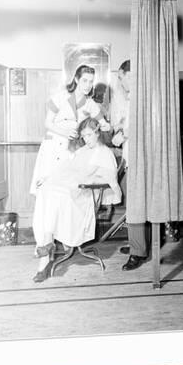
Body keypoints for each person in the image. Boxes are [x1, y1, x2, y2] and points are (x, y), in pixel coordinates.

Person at [31, 118, 121, 282]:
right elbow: (65, 168)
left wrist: (85, 180)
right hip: (72, 190)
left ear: (97, 133)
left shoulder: (105, 153)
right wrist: (47, 177)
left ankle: (46, 245)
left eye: (89, 135)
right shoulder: (82, 151)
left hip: (86, 196)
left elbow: (109, 180)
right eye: (84, 136)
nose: (86, 139)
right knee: (46, 190)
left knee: (57, 195)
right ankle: (46, 242)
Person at [29, 64, 110, 195]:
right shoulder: (59, 98)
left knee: (66, 187)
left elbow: (104, 123)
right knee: (48, 186)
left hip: (72, 148)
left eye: (91, 81)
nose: (88, 85)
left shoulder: (90, 104)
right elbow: (47, 123)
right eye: (85, 80)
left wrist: (105, 126)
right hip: (53, 145)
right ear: (77, 80)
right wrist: (65, 133)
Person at [108, 60, 149, 271]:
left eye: (121, 77)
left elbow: (140, 127)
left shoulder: (139, 99)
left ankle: (138, 252)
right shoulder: (133, 98)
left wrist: (122, 135)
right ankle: (137, 244)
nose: (120, 82)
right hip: (131, 158)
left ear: (129, 74)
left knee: (135, 207)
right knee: (134, 206)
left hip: (139, 159)